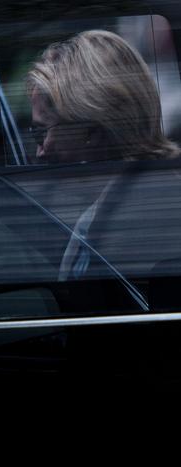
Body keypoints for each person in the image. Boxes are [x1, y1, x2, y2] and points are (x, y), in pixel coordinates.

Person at [26, 30, 181, 281]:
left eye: (42, 132)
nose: (40, 151)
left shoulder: (136, 223)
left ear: (90, 131)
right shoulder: (144, 194)